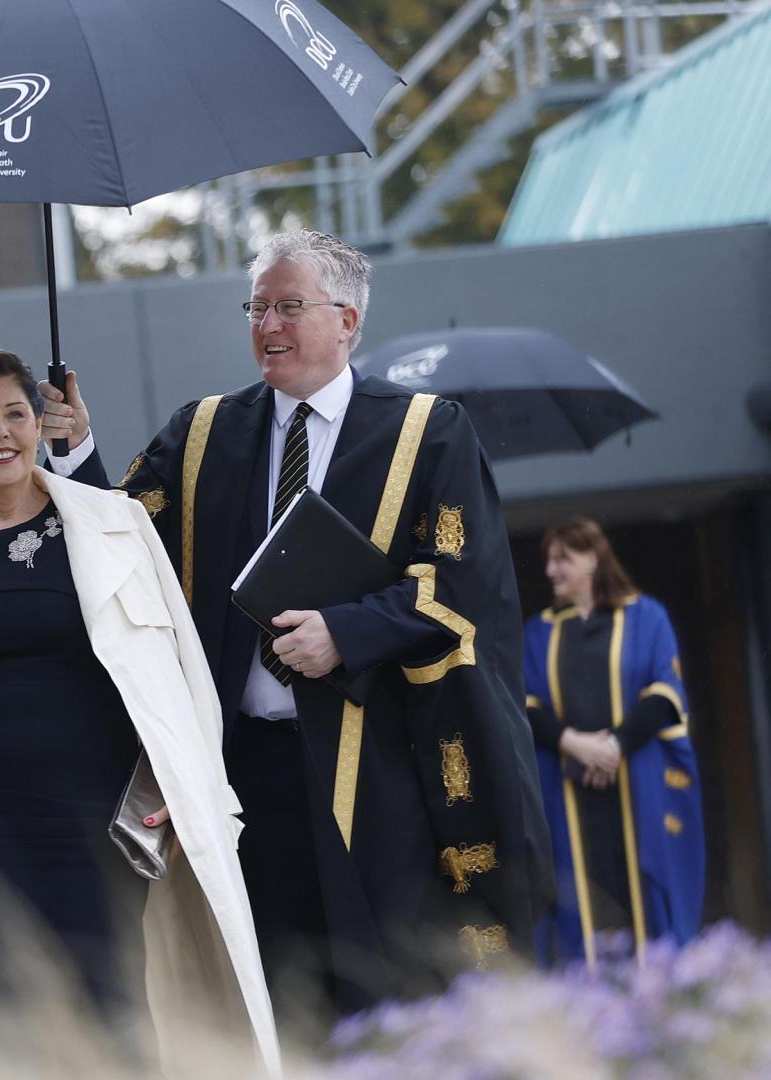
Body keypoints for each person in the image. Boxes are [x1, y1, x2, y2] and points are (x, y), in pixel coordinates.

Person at [42, 230, 553, 1018]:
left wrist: (344, 633)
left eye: (288, 307)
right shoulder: (204, 431)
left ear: (347, 320)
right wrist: (76, 453)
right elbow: (125, 541)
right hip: (245, 770)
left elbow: (459, 584)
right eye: (256, 307)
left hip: (376, 762)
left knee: (382, 984)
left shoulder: (426, 431)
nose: (267, 325)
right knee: (272, 993)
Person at [0, 349, 278, 1077]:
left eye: (15, 414)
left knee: (112, 1012)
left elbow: (176, 668)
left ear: (41, 423)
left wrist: (182, 779)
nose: (0, 433)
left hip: (95, 824)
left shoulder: (114, 523)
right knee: (2, 1019)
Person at [524, 516, 704, 967]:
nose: (550, 570)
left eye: (561, 559)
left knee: (644, 904)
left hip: (637, 790)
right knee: (575, 907)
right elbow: (525, 707)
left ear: (592, 560)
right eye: (548, 560)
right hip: (566, 794)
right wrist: (576, 745)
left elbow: (665, 694)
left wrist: (615, 746)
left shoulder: (646, 618)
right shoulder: (537, 632)